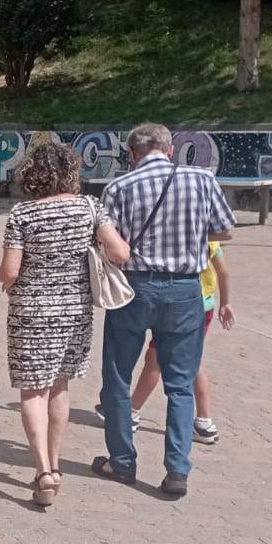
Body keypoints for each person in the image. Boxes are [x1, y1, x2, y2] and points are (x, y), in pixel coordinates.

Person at [94, 124, 235, 497]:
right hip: (185, 290)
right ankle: (177, 470)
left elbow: (109, 245)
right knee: (180, 383)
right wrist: (191, 235)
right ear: (170, 151)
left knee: (118, 377)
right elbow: (225, 230)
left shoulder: (119, 187)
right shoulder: (203, 180)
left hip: (133, 289)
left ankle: (121, 462)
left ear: (132, 153)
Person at [0, 144, 129, 506]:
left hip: (30, 313)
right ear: (70, 171)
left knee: (32, 392)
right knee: (59, 387)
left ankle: (42, 470)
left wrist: (7, 279)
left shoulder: (22, 214)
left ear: (32, 174)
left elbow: (10, 272)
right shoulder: (90, 207)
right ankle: (55, 465)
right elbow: (119, 252)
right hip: (75, 312)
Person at [120, 241, 234, 442]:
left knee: (154, 360)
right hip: (204, 306)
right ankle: (204, 421)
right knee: (191, 361)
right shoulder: (209, 238)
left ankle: (131, 411)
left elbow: (223, 271)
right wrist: (225, 302)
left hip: (184, 305)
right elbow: (223, 271)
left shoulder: (185, 238)